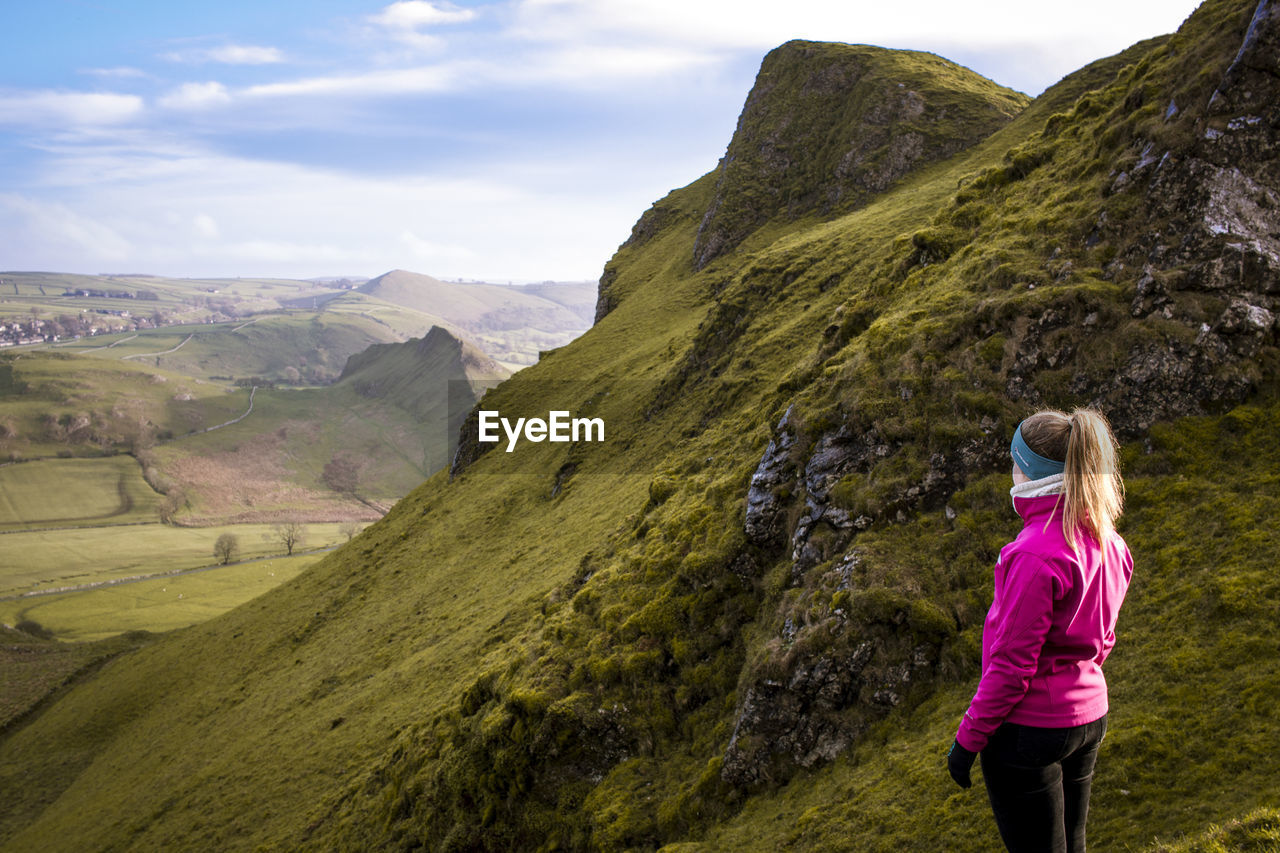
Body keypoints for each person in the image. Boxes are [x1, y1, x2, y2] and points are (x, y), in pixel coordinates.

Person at [946, 408, 1133, 853]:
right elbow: (1103, 638)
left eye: (1014, 464)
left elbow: (1011, 667)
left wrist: (968, 739)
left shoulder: (1031, 554)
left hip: (1028, 731)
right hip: (1089, 716)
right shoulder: (1110, 540)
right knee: (1073, 843)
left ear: (1030, 474)